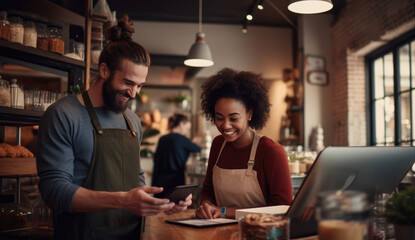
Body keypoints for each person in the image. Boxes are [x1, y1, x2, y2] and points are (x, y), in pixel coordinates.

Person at [36, 15, 191, 240]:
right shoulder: (63, 115)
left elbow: (136, 179)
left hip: (133, 234)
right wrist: (122, 200)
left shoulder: (132, 120)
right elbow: (54, 190)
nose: (134, 93)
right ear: (105, 70)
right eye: (128, 83)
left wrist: (159, 204)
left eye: (139, 85)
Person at [196, 68, 293, 219]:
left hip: (260, 233)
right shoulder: (218, 144)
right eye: (219, 118)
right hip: (218, 231)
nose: (225, 126)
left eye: (234, 118)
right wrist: (206, 205)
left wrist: (224, 211)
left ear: (249, 114)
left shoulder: (271, 151)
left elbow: (282, 208)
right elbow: (208, 189)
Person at [151, 113, 201, 198]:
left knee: (159, 208)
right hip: (175, 182)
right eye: (187, 128)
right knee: (175, 210)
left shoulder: (162, 139)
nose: (186, 132)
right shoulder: (183, 139)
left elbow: (156, 161)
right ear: (181, 124)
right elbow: (198, 149)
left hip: (160, 182)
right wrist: (193, 143)